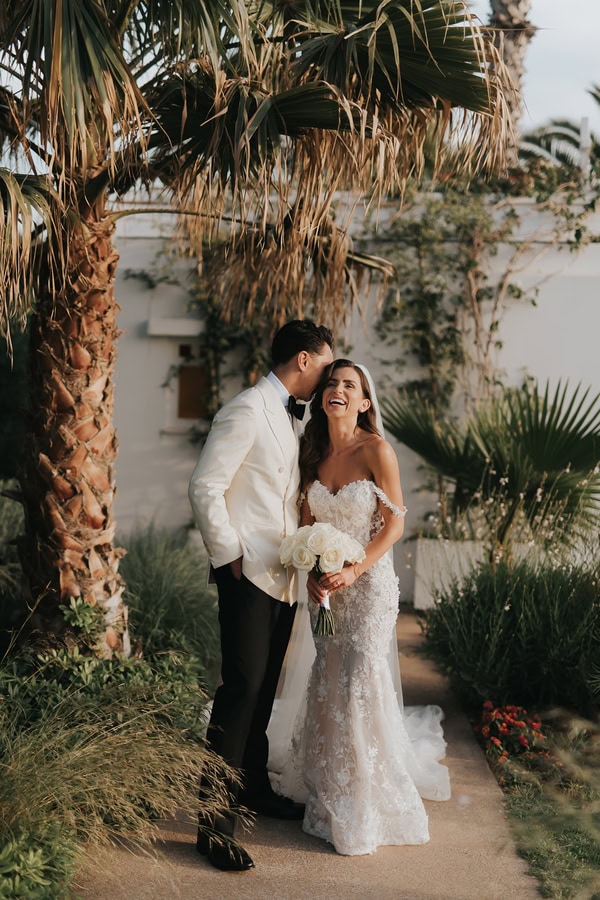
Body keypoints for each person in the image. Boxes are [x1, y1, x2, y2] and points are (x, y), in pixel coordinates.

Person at [274, 359, 450, 856]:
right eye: (331, 383)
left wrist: (353, 570)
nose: (338, 389)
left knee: (357, 683)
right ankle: (329, 782)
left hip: (369, 586)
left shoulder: (377, 450)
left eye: (349, 385)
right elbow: (307, 527)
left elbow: (394, 524)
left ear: (364, 402)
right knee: (329, 680)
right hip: (327, 591)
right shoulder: (310, 453)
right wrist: (314, 573)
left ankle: (362, 798)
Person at [188, 319, 334, 871]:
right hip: (247, 575)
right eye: (324, 366)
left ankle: (252, 788)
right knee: (240, 691)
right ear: (303, 360)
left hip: (285, 576)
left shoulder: (295, 415)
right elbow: (205, 486)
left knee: (264, 686)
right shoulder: (247, 409)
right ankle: (213, 826)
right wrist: (229, 557)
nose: (327, 378)